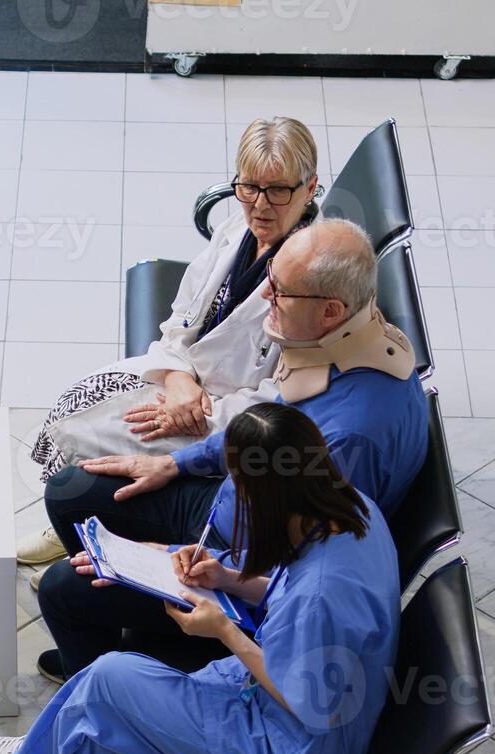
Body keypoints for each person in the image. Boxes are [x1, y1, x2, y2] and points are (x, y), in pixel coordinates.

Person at [0, 403, 402, 754]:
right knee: (111, 721)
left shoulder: (324, 595)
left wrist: (224, 632)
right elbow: (289, 600)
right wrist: (226, 578)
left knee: (110, 680)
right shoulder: (351, 509)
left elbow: (312, 705)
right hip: (268, 705)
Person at [33, 217, 426, 683]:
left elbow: (297, 576)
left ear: (331, 310)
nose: (264, 297)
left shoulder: (347, 439)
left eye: (279, 290)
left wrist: (171, 559)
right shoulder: (339, 348)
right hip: (235, 507)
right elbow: (259, 433)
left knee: (64, 589)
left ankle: (114, 685)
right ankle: (116, 638)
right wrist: (172, 464)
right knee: (70, 491)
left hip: (244, 559)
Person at [17, 117, 322, 568]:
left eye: (278, 190)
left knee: (97, 445)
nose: (260, 205)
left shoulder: (313, 275)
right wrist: (178, 380)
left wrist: (195, 412)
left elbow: (283, 398)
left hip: (223, 420)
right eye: (248, 187)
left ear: (310, 187)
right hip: (185, 381)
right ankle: (75, 527)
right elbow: (181, 318)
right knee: (71, 405)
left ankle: (95, 547)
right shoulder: (236, 234)